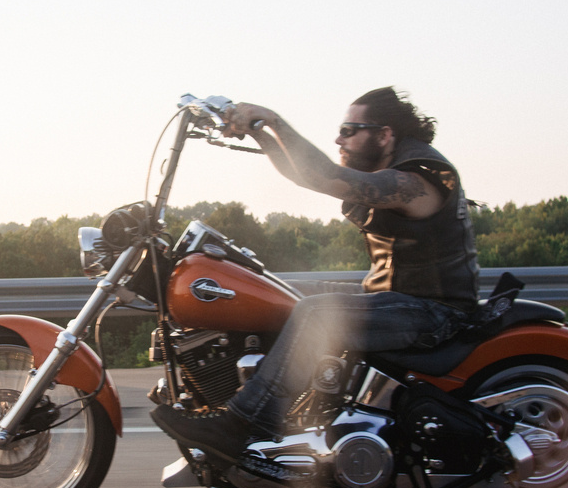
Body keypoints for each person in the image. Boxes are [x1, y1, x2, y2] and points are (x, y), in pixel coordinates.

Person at [151, 87, 480, 461]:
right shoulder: (395, 170)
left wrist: (273, 119)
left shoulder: (418, 181)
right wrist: (258, 130)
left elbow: (323, 175)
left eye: (350, 129)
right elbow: (303, 175)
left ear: (385, 134)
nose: (339, 137)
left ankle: (244, 423)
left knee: (317, 313)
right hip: (392, 298)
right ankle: (295, 407)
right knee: (280, 291)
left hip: (436, 312)